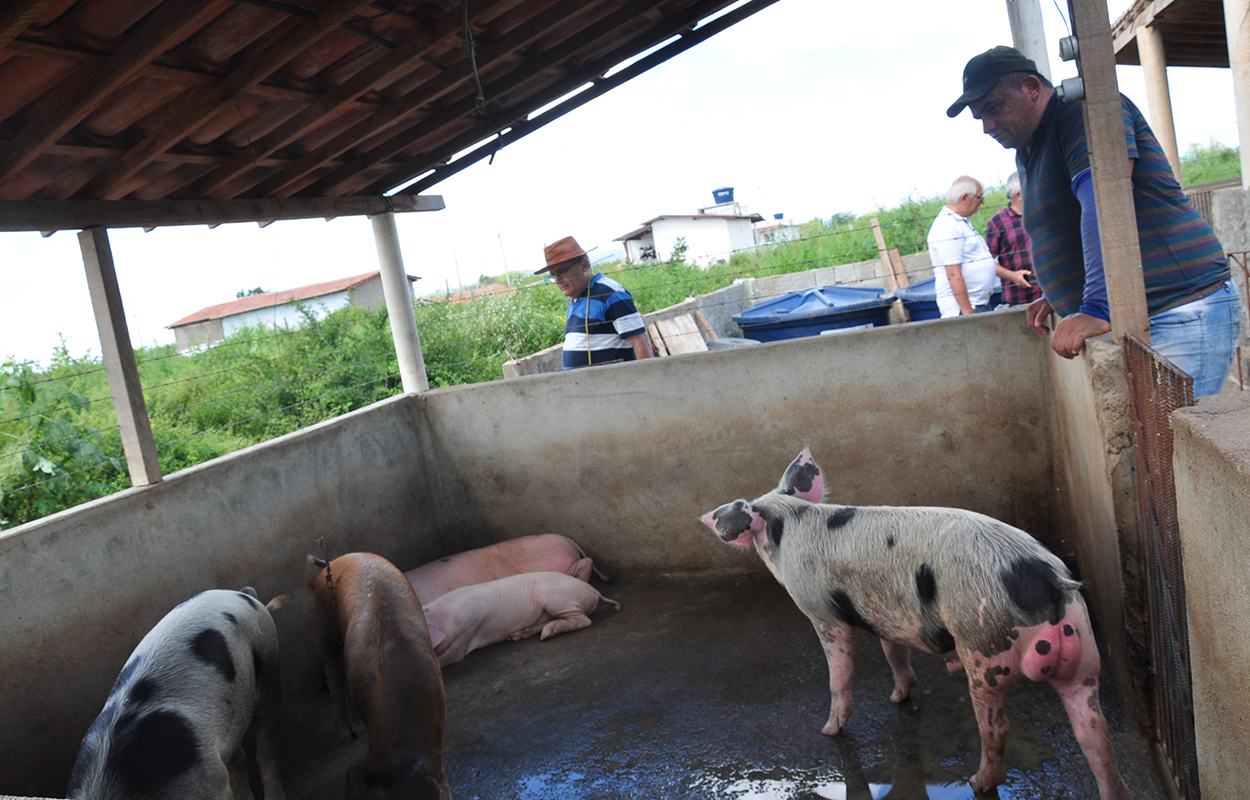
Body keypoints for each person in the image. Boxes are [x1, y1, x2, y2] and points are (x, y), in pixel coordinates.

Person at [947, 45, 1241, 396]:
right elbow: (1062, 229)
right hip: (1153, 315)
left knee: (1180, 441)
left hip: (1178, 307)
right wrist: (1057, 296)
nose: (987, 127)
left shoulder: (1082, 113)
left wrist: (1096, 306)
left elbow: (1104, 203)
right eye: (980, 117)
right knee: (1159, 443)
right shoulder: (1031, 148)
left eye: (993, 108)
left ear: (1031, 87)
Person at [534, 236, 654, 369]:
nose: (558, 280)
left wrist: (643, 381)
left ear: (584, 265)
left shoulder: (611, 294)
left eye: (562, 272)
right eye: (553, 275)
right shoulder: (575, 298)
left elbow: (641, 342)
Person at [927, 176, 1031, 317]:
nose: (982, 202)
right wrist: (968, 313)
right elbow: (953, 274)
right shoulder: (947, 226)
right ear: (965, 197)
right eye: (979, 197)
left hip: (978, 304)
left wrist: (1012, 275)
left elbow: (982, 261)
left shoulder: (961, 222)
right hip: (964, 310)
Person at [985, 171, 1042, 307]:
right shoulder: (998, 222)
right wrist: (1012, 275)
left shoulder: (1040, 213)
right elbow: (986, 262)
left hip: (1049, 293)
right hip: (1019, 299)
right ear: (1019, 194)